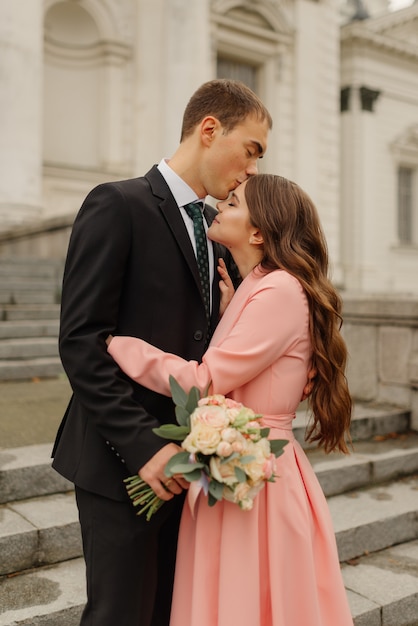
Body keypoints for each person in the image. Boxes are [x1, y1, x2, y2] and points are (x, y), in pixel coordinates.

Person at [51, 79, 273, 626]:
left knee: (168, 612)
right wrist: (142, 446)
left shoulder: (214, 229)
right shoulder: (118, 203)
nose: (252, 170)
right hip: (117, 459)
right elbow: (81, 340)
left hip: (188, 467)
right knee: (119, 616)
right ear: (209, 129)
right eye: (251, 149)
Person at [107, 173, 354, 626]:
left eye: (234, 203)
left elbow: (203, 381)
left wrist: (120, 345)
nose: (221, 203)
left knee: (245, 604)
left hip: (256, 479)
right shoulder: (259, 284)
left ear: (258, 231)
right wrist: (232, 309)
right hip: (234, 467)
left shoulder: (280, 289)